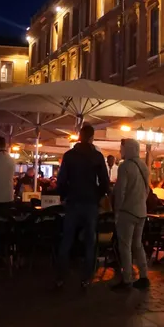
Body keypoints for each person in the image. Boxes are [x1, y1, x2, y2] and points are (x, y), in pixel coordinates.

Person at [55, 123, 110, 289]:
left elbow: (61, 180)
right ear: (92, 137)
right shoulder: (97, 156)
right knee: (89, 241)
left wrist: (64, 196)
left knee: (67, 240)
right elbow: (105, 182)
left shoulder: (69, 155)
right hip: (90, 203)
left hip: (73, 202)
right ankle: (86, 278)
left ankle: (61, 277)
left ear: (79, 136)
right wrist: (98, 196)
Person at [111, 138, 150, 291]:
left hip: (127, 211)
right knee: (138, 245)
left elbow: (120, 191)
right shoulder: (144, 166)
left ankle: (127, 279)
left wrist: (117, 211)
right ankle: (144, 276)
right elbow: (147, 190)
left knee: (125, 246)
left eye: (122, 149)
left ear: (128, 149)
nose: (121, 151)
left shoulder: (125, 166)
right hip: (141, 212)